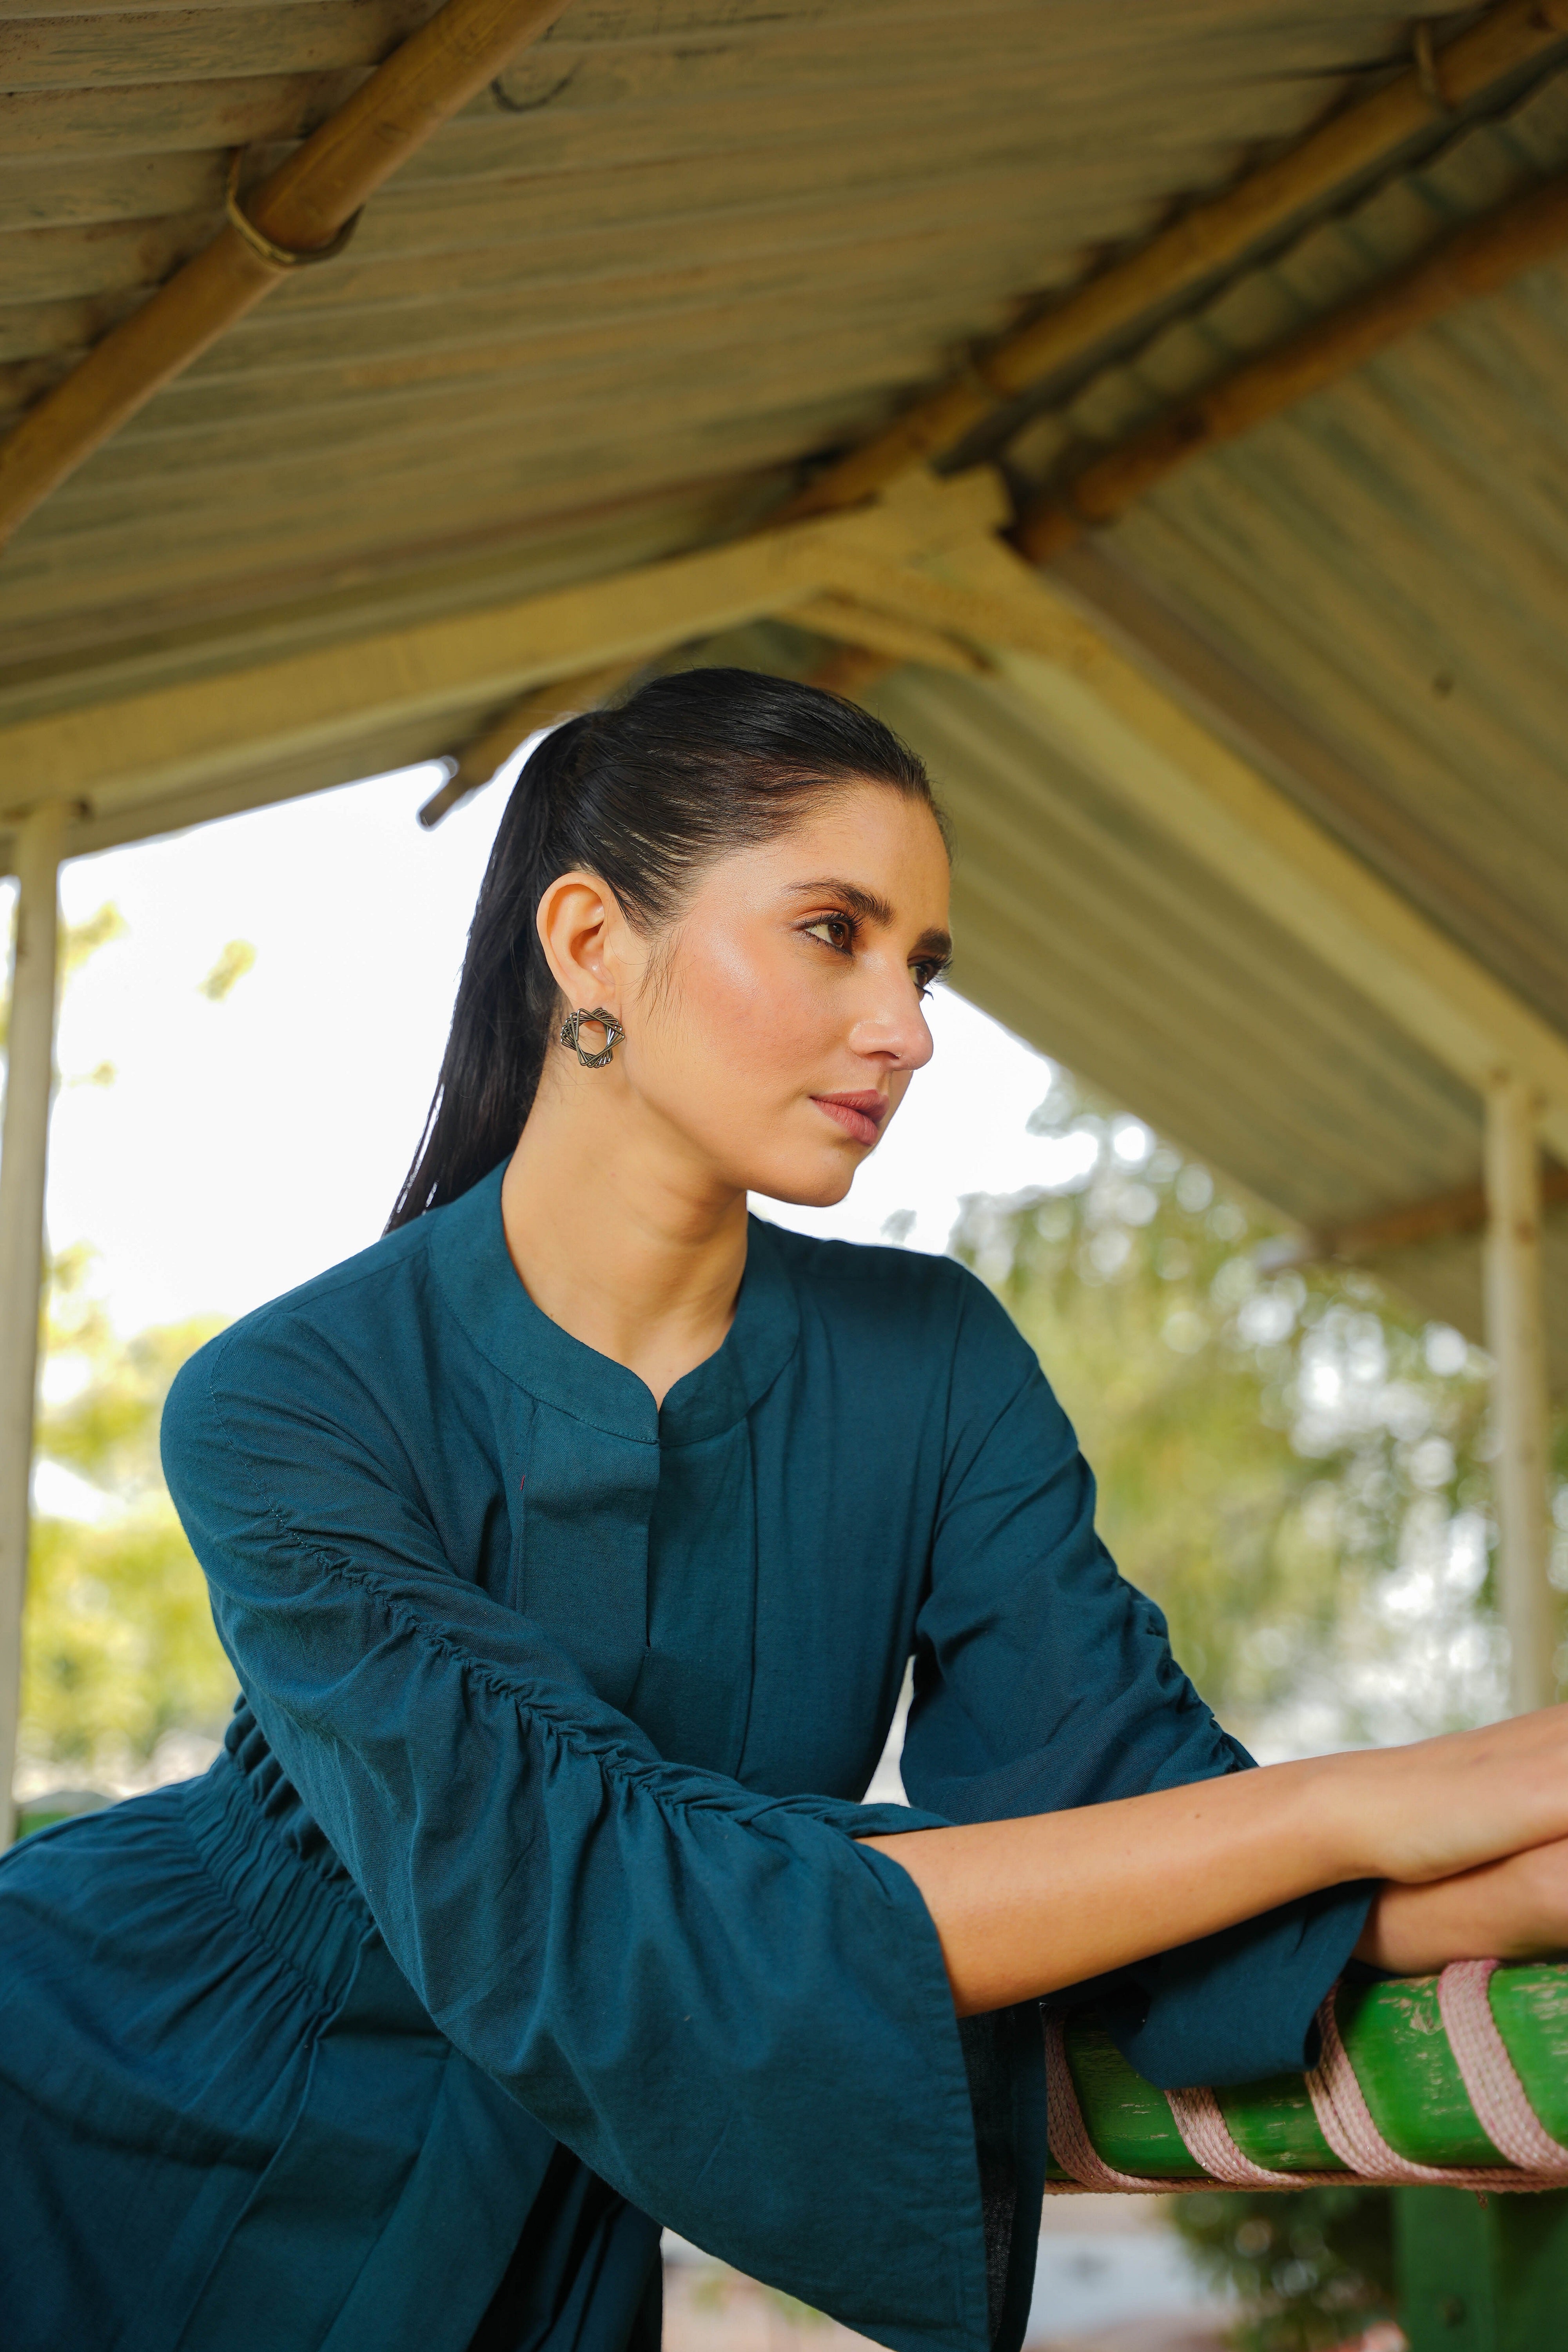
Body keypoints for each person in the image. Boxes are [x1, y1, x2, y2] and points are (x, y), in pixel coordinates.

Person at [3, 668, 1568, 2352]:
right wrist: (1398, 1796)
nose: (905, 1026)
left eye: (926, 965)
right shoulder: (283, 1399)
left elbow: (1129, 1825)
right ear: (593, 945)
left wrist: (1510, 1876)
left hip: (537, 2227)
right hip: (101, 2118)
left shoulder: (935, 1367)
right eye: (835, 931)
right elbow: (601, 1898)